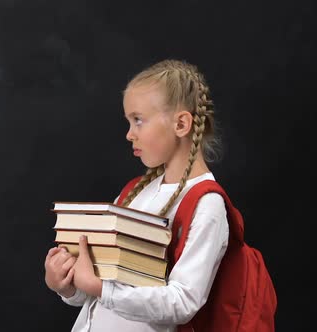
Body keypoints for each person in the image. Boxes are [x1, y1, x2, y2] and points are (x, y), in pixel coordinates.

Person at [44, 59, 228, 332]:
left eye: (138, 121)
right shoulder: (134, 192)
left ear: (181, 124)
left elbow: (183, 302)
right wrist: (67, 285)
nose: (130, 135)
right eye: (129, 122)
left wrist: (100, 288)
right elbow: (99, 287)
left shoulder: (207, 204)